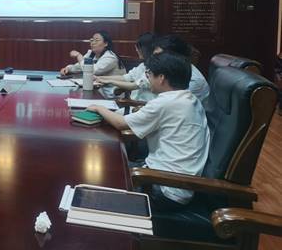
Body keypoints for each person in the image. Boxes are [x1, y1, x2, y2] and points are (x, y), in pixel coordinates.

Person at [88, 52, 210, 210]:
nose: (147, 79)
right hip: (173, 181)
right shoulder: (189, 99)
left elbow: (121, 123)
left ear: (161, 78)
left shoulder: (165, 102)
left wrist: (98, 108)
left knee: (98, 178)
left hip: (164, 188)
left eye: (149, 74)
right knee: (108, 165)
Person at [60, 30, 126, 97]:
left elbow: (92, 70)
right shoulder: (91, 54)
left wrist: (79, 56)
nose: (93, 43)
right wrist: (68, 69)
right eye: (92, 40)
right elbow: (80, 66)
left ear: (106, 43)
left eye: (97, 40)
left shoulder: (110, 57)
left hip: (112, 93)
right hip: (98, 89)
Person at [94, 32, 157, 102]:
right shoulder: (143, 65)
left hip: (142, 105)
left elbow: (135, 85)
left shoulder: (155, 68)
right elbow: (125, 77)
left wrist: (109, 81)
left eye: (138, 48)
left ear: (147, 49)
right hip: (134, 102)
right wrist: (100, 78)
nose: (136, 50)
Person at [152, 34, 210, 104]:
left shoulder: (194, 80)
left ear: (175, 57)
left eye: (159, 57)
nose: (154, 60)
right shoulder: (171, 70)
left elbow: (171, 104)